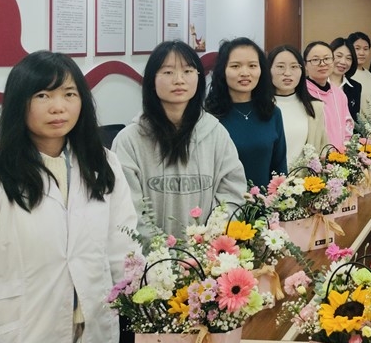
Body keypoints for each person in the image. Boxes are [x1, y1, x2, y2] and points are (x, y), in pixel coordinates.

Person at [0, 51, 138, 343]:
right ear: (19, 103)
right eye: (42, 95)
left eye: (69, 94)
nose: (58, 107)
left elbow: (124, 253)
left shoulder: (103, 164)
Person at [113, 40, 246, 242]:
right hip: (150, 257)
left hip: (207, 254)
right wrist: (161, 252)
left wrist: (207, 241)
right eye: (168, 72)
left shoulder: (216, 133)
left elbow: (232, 193)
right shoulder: (129, 141)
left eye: (188, 71)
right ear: (152, 80)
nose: (179, 80)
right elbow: (128, 210)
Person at [205, 37, 286, 187]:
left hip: (266, 200)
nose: (245, 73)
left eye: (252, 66)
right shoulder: (208, 116)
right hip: (222, 200)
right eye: (235, 66)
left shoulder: (272, 113)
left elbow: (280, 167)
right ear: (223, 70)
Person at [268, 45, 327, 169]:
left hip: (305, 179)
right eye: (280, 67)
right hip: (268, 179)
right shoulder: (259, 107)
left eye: (294, 67)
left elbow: (323, 148)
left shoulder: (315, 107)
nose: (287, 73)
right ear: (268, 69)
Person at [303, 40, 353, 149]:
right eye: (315, 60)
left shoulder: (339, 94)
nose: (323, 64)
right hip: (313, 156)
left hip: (340, 156)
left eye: (327, 58)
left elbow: (347, 125)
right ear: (305, 65)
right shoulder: (302, 93)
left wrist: (345, 150)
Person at [348, 31, 371, 124]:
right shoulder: (346, 74)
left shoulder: (369, 75)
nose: (362, 53)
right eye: (357, 48)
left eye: (365, 49)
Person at [329, 37, 363, 123]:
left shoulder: (355, 87)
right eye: (339, 56)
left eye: (348, 58)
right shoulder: (316, 83)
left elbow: (355, 120)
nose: (343, 62)